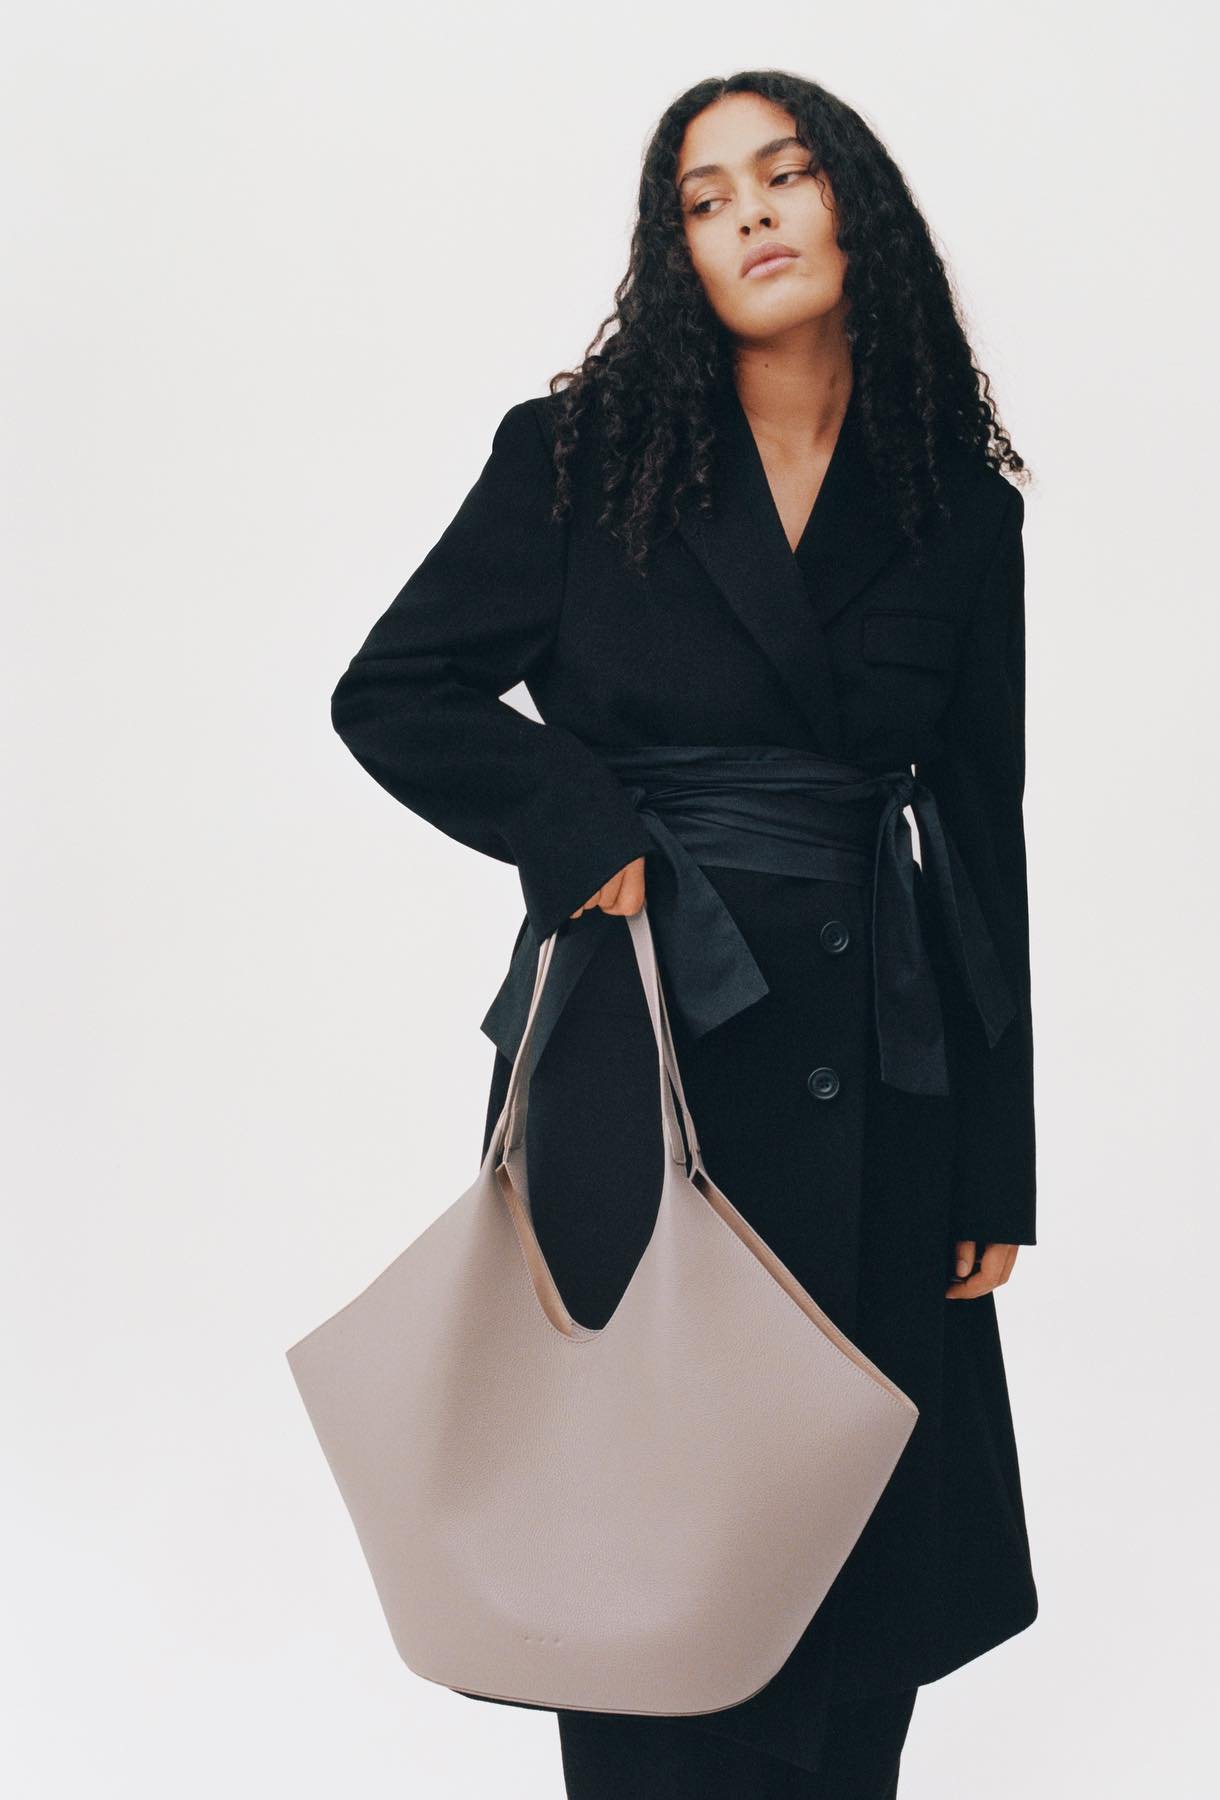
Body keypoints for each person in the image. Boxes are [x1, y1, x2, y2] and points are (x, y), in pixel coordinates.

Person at [329, 67, 1038, 1800]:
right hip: (645, 1054)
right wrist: (586, 832)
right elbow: (396, 691)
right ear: (679, 255)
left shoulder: (959, 505)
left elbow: (982, 830)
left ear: (855, 208)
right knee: (647, 1564)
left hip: (887, 1074)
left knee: (860, 1581)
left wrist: (998, 1166)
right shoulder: (577, 456)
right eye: (706, 202)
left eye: (783, 176)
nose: (751, 217)